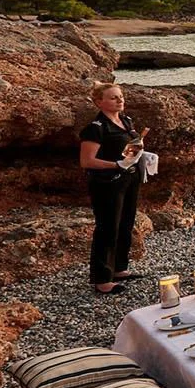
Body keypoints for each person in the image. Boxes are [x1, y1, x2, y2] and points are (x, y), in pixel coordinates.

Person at [78, 83, 147, 294]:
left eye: (120, 96)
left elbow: (128, 148)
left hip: (128, 179)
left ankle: (119, 268)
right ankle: (102, 279)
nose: (119, 100)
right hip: (106, 183)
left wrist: (142, 157)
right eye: (113, 98)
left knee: (126, 223)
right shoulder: (96, 128)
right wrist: (115, 165)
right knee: (107, 227)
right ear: (99, 102)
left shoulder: (126, 121)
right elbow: (87, 161)